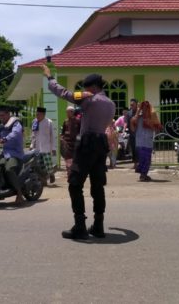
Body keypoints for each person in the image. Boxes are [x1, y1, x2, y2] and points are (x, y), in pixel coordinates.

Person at [42, 65, 115, 240]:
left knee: (75, 184)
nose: (84, 90)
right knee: (98, 186)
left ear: (92, 87)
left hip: (87, 144)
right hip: (101, 145)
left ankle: (80, 226)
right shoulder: (111, 104)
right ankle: (98, 225)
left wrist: (50, 78)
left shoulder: (89, 99)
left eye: (86, 87)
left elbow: (64, 93)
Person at [0, 106, 25, 204]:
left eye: (3, 115)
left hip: (15, 154)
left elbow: (15, 133)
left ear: (8, 114)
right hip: (5, 154)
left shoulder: (16, 123)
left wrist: (5, 139)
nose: (1, 117)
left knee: (9, 169)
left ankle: (19, 193)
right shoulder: (3, 125)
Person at [131, 101, 162, 182]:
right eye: (143, 107)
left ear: (149, 108)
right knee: (142, 159)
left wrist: (151, 124)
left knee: (147, 159)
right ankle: (143, 175)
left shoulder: (153, 117)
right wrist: (134, 120)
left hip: (148, 142)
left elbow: (158, 130)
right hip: (140, 142)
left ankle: (143, 175)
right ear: (141, 108)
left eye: (146, 107)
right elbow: (132, 129)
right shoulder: (137, 118)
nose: (144, 109)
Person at [30, 107, 57, 184]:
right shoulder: (34, 122)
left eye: (38, 114)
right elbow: (33, 135)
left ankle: (51, 174)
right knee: (40, 165)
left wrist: (53, 148)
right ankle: (43, 181)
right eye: (36, 114)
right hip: (37, 148)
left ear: (43, 115)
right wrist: (32, 145)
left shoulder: (49, 122)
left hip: (46, 147)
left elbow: (52, 136)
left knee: (48, 164)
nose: (37, 116)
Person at [60, 106, 81, 175]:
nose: (67, 114)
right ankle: (69, 172)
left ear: (72, 112)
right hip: (67, 144)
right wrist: (62, 138)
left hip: (75, 143)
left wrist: (79, 140)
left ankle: (74, 173)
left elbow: (81, 132)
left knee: (75, 159)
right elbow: (63, 132)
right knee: (67, 158)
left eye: (68, 112)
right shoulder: (65, 121)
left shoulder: (78, 121)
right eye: (66, 112)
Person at [126, 99, 139, 168]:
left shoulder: (139, 112)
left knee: (139, 148)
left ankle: (140, 162)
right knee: (133, 149)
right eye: (130, 105)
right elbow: (127, 123)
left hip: (139, 133)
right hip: (132, 134)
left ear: (136, 104)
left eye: (132, 105)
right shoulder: (129, 113)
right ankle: (135, 163)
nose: (131, 106)